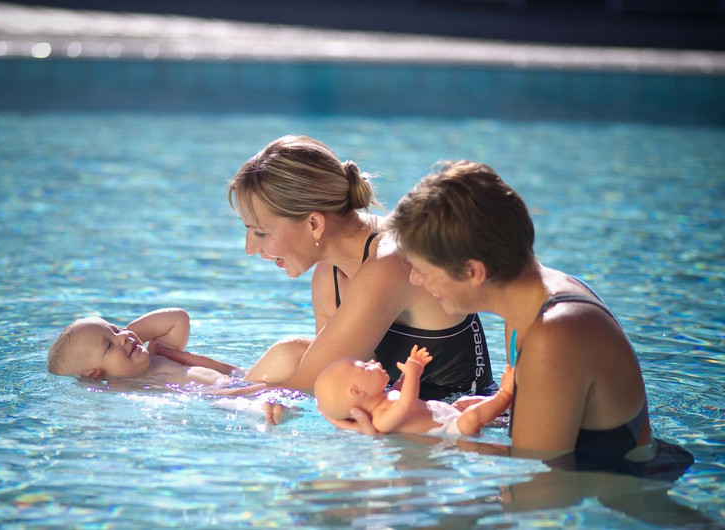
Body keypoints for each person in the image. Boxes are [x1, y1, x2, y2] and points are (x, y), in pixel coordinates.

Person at [366, 159, 693, 478]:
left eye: (423, 271)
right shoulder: (532, 303)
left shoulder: (554, 335)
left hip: (623, 499)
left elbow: (537, 488)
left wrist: (407, 438)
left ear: (473, 272)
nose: (415, 282)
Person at [218, 135, 496, 400]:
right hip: (390, 412)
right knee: (287, 355)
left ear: (314, 224)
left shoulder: (389, 263)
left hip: (455, 422)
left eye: (260, 232)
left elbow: (302, 388)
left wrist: (187, 397)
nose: (249, 248)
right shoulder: (329, 274)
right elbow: (328, 379)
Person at [47, 307, 264, 395]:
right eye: (109, 344)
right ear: (95, 373)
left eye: (114, 328)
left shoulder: (157, 354)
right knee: (258, 410)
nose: (122, 336)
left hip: (240, 382)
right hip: (220, 400)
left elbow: (178, 319)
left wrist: (129, 334)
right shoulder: (121, 389)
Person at [315, 345, 513, 437]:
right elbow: (405, 403)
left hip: (443, 412)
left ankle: (507, 407)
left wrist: (406, 374)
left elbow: (400, 389)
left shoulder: (385, 396)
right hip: (451, 431)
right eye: (366, 368)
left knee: (462, 403)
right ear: (356, 392)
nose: (373, 362)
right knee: (471, 417)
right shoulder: (381, 420)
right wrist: (413, 373)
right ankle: (504, 395)